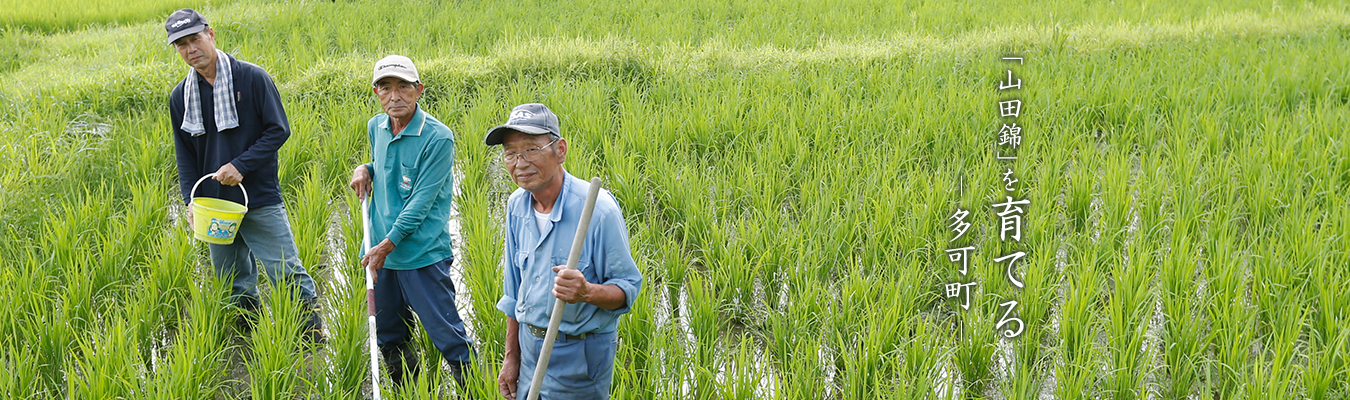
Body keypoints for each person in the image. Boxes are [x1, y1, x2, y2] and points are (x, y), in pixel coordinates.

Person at [165, 8, 324, 342]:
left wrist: (241, 165)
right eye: (181, 44)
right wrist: (190, 202)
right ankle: (251, 341)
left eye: (194, 38)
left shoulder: (251, 78)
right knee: (231, 277)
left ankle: (310, 340)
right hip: (214, 205)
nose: (190, 48)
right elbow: (186, 157)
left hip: (258, 195)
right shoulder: (181, 96)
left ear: (210, 34)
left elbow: (278, 130)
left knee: (284, 268)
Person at [487, 103, 643, 399]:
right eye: (510, 152)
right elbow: (514, 292)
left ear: (560, 150)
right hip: (530, 349)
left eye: (531, 149)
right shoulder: (516, 205)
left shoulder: (598, 210)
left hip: (580, 356)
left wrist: (586, 292)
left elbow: (627, 289)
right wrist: (512, 357)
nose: (520, 162)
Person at [349, 55, 475, 386]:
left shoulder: (438, 137)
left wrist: (386, 246)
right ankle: (408, 390)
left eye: (403, 87)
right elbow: (385, 165)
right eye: (386, 88)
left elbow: (420, 202)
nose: (395, 96)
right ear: (376, 92)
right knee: (389, 332)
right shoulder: (376, 126)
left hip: (420, 254)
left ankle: (475, 389)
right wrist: (366, 169)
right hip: (380, 251)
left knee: (447, 334)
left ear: (418, 90)